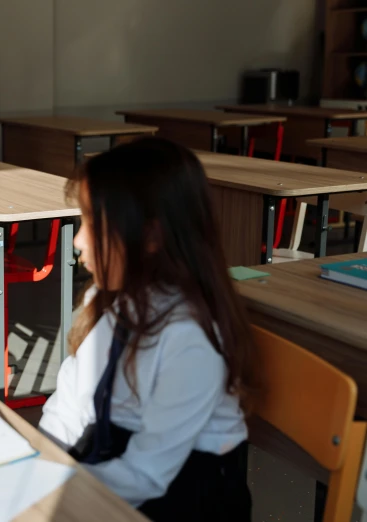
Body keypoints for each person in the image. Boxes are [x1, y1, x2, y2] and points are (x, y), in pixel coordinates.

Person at [39, 137, 256, 521]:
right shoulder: (107, 302)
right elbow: (69, 405)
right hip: (114, 463)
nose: (77, 241)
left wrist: (54, 492)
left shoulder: (190, 338)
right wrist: (43, 458)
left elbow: (146, 476)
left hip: (186, 493)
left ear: (152, 237)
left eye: (93, 224)